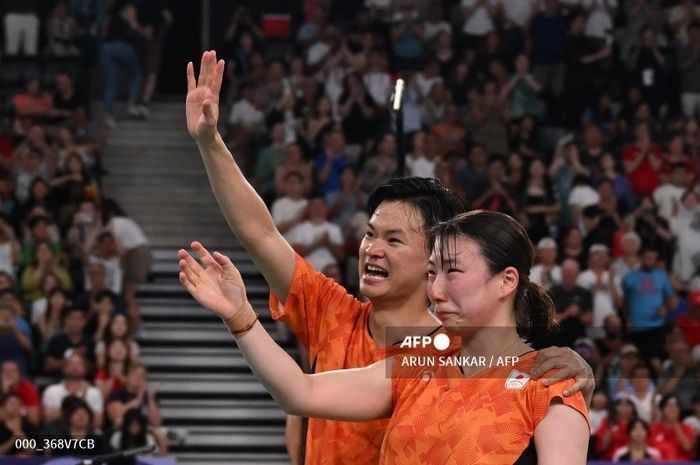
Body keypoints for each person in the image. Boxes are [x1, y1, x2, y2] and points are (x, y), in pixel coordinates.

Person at [186, 50, 593, 465]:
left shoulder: (519, 374)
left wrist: (572, 368)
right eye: (368, 234)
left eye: (394, 240)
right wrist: (241, 317)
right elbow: (299, 390)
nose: (372, 249)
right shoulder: (404, 355)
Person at [178, 211, 590, 464]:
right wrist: (241, 317)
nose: (436, 290)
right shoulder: (420, 361)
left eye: (453, 272)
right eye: (431, 273)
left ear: (506, 281)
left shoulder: (550, 386)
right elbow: (299, 392)